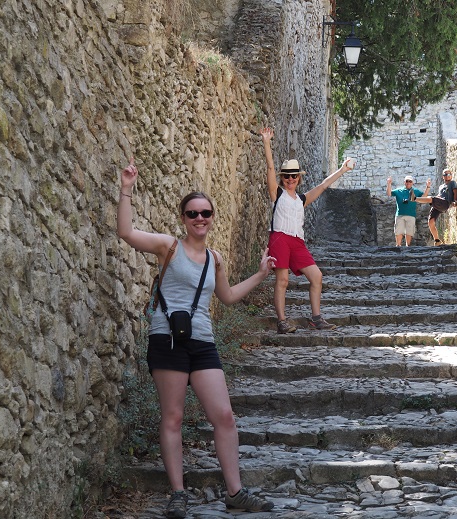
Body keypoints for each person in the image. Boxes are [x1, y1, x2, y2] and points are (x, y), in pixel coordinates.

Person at [117, 157, 276, 517]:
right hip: (168, 340)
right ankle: (177, 493)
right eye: (192, 213)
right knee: (172, 417)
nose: (200, 218)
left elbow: (228, 297)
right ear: (183, 219)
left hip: (203, 342)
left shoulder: (214, 259)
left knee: (225, 416)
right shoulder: (168, 247)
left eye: (205, 212)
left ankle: (234, 492)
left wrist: (262, 273)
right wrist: (126, 190)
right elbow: (126, 233)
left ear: (211, 216)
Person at [260, 127, 355, 334]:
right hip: (280, 238)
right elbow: (269, 169)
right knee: (282, 280)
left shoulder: (302, 199)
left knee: (316, 276)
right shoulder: (277, 194)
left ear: (298, 178)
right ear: (283, 177)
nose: (290, 179)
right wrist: (267, 143)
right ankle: (282, 321)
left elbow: (323, 185)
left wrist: (342, 169)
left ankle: (316, 318)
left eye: (294, 175)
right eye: (287, 176)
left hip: (297, 242)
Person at [415, 168, 457, 245]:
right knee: (430, 222)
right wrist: (436, 198)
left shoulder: (452, 183)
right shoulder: (441, 186)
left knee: (430, 198)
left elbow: (455, 192)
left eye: (449, 174)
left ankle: (415, 199)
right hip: (439, 203)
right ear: (443, 176)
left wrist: (454, 201)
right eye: (445, 174)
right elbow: (439, 195)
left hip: (445, 203)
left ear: (451, 176)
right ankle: (437, 240)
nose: (447, 176)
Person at [386, 175, 424, 246]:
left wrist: (428, 187)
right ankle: (398, 246)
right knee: (398, 231)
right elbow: (389, 193)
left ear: (412, 183)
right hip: (400, 214)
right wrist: (389, 183)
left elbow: (424, 196)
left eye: (410, 181)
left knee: (409, 231)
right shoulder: (399, 190)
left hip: (411, 214)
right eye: (407, 181)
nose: (408, 183)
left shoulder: (416, 191)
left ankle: (408, 247)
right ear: (404, 182)